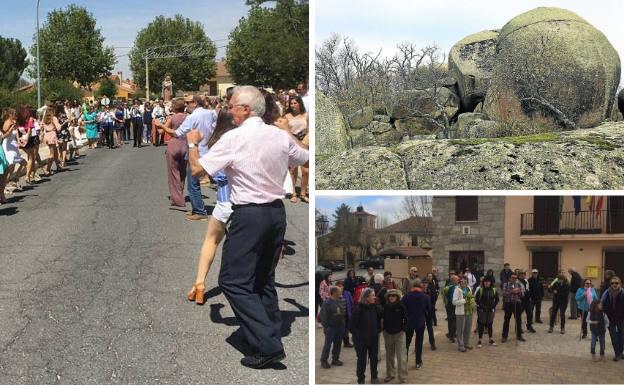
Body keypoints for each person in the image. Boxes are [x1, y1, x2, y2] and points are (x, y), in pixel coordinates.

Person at [185, 86, 308, 368]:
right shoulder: (278, 135)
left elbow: (196, 170)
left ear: (245, 109)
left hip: (249, 213)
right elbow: (304, 156)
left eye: (232, 106)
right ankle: (269, 329)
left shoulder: (234, 138)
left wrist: (193, 144)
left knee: (233, 280)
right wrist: (286, 133)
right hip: (276, 213)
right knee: (263, 277)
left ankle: (267, 343)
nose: (228, 110)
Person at [185, 110, 236, 305]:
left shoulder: (216, 146)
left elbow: (199, 170)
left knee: (211, 241)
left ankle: (199, 283)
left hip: (224, 203)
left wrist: (193, 144)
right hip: (243, 204)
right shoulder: (242, 143)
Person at [178, 95, 216, 221]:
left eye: (187, 102)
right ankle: (197, 209)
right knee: (218, 180)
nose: (185, 104)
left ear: (194, 103)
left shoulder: (192, 117)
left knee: (193, 184)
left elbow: (179, 133)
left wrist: (163, 127)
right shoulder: (211, 113)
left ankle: (200, 211)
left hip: (196, 152)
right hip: (209, 151)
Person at [159, 99, 189, 208]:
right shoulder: (188, 118)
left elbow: (161, 131)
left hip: (174, 145)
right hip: (185, 145)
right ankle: (179, 194)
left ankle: (177, 199)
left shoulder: (172, 118)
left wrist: (159, 124)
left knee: (173, 173)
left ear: (174, 108)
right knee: (182, 172)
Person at [350, 288, 382, 384]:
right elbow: (351, 326)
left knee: (374, 359)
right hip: (361, 341)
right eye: (372, 295)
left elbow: (380, 317)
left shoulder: (374, 307)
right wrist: (360, 336)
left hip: (373, 338)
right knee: (362, 361)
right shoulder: (358, 309)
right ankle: (361, 379)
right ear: (366, 297)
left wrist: (377, 331)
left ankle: (374, 377)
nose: (374, 297)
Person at [284, 95, 308, 203]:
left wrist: (306, 142)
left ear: (300, 104)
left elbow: (310, 130)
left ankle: (303, 193)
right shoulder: (287, 116)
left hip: (304, 143)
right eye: (291, 103)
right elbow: (284, 130)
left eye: (295, 103)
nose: (293, 105)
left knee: (306, 170)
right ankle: (293, 192)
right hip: (292, 143)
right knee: (293, 170)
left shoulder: (306, 115)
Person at [382, 289, 407, 383]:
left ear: (397, 297)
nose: (392, 297)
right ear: (388, 297)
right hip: (388, 334)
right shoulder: (386, 306)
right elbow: (383, 318)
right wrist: (384, 329)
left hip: (399, 334)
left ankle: (403, 376)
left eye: (394, 295)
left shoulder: (401, 306)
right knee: (389, 356)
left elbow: (406, 318)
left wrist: (403, 329)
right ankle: (390, 374)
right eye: (390, 295)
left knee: (401, 357)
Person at [402, 279, 428, 370]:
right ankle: (418, 362)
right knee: (419, 343)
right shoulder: (425, 296)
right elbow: (429, 309)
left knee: (407, 342)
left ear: (412, 286)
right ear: (420, 286)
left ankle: (404, 360)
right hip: (420, 322)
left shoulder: (406, 296)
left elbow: (402, 309)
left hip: (409, 322)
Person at [320, 286, 345, 369]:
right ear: (334, 292)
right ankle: (324, 360)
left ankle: (335, 359)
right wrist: (326, 327)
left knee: (338, 344)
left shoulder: (339, 300)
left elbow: (343, 312)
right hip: (331, 328)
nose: (341, 292)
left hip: (340, 326)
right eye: (339, 291)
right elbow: (323, 316)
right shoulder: (327, 303)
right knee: (327, 345)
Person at [600, 275, 624, 361]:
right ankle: (617, 354)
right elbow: (601, 303)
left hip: (621, 319)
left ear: (620, 284)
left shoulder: (623, 293)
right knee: (614, 337)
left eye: (616, 283)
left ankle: (621, 353)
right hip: (610, 319)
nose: (614, 284)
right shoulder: (607, 293)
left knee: (621, 336)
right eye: (612, 283)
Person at [475, 276, 499, 347]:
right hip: (482, 311)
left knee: (490, 324)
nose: (487, 283)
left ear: (490, 283)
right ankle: (480, 340)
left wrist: (493, 306)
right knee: (481, 325)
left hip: (490, 311)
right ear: (483, 283)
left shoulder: (494, 290)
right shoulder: (480, 290)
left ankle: (490, 339)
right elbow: (476, 300)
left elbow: (497, 300)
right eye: (485, 282)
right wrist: (481, 307)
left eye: (488, 282)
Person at [453, 277, 475, 352]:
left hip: (469, 311)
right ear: (459, 282)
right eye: (462, 282)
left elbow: (471, 297)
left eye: (465, 282)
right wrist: (464, 300)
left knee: (467, 329)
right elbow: (454, 302)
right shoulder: (457, 290)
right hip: (460, 313)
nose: (463, 283)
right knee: (460, 329)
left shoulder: (469, 288)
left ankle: (466, 343)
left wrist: (472, 300)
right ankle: (460, 345)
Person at [502, 273, 525, 342]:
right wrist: (512, 291)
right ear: (510, 278)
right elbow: (504, 294)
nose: (514, 279)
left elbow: (522, 295)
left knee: (518, 320)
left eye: (515, 278)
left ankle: (519, 335)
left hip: (517, 304)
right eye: (512, 278)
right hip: (508, 304)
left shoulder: (519, 285)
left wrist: (519, 291)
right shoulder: (505, 284)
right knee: (506, 320)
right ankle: (504, 336)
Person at [40, 107, 61, 176]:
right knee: (51, 154)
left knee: (55, 151)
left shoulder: (44, 119)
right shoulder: (53, 118)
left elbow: (41, 126)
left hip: (47, 135)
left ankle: (58, 166)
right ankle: (47, 168)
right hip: (52, 135)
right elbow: (59, 128)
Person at [335, 281, 354, 348]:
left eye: (341, 286)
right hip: (339, 316)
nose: (340, 287)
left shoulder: (347, 293)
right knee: (339, 330)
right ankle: (337, 343)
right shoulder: (334, 295)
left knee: (346, 329)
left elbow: (351, 303)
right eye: (339, 286)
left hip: (347, 314)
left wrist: (351, 312)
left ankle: (346, 342)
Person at [442, 274, 459, 342]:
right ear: (453, 280)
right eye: (457, 279)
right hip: (452, 306)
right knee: (454, 321)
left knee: (450, 320)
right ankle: (452, 335)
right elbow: (452, 298)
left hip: (448, 306)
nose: (458, 280)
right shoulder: (453, 287)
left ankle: (450, 333)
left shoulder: (448, 286)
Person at [54, 103, 71, 167]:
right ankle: (63, 161)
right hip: (64, 131)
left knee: (60, 147)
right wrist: (65, 122)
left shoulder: (55, 116)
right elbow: (68, 121)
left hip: (58, 132)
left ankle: (61, 160)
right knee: (64, 148)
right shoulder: (63, 115)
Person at [422, 279, 436, 350]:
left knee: (430, 328)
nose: (424, 285)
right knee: (420, 329)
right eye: (423, 283)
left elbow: (433, 301)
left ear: (428, 284)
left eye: (426, 283)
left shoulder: (430, 291)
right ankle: (418, 345)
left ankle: (432, 343)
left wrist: (431, 309)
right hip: (421, 313)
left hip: (429, 313)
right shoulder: (420, 292)